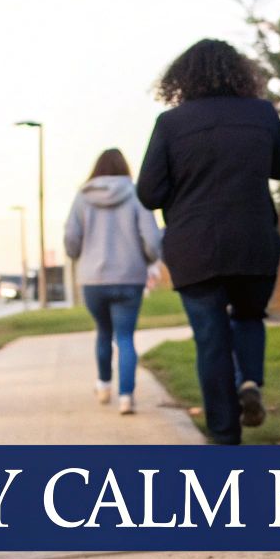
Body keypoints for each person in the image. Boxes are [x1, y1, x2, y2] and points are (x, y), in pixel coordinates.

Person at [136, 39, 280, 444]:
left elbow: (148, 194)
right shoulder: (260, 114)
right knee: (247, 316)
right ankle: (250, 382)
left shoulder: (171, 124)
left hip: (195, 246)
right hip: (253, 238)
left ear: (181, 79)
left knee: (210, 340)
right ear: (240, 73)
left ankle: (225, 437)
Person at [64, 148, 162, 415]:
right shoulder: (135, 194)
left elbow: (71, 239)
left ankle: (104, 384)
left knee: (103, 333)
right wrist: (146, 257)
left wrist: (79, 255)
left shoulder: (82, 197)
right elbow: (153, 241)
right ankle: (126, 397)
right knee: (126, 337)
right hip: (130, 277)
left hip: (93, 279)